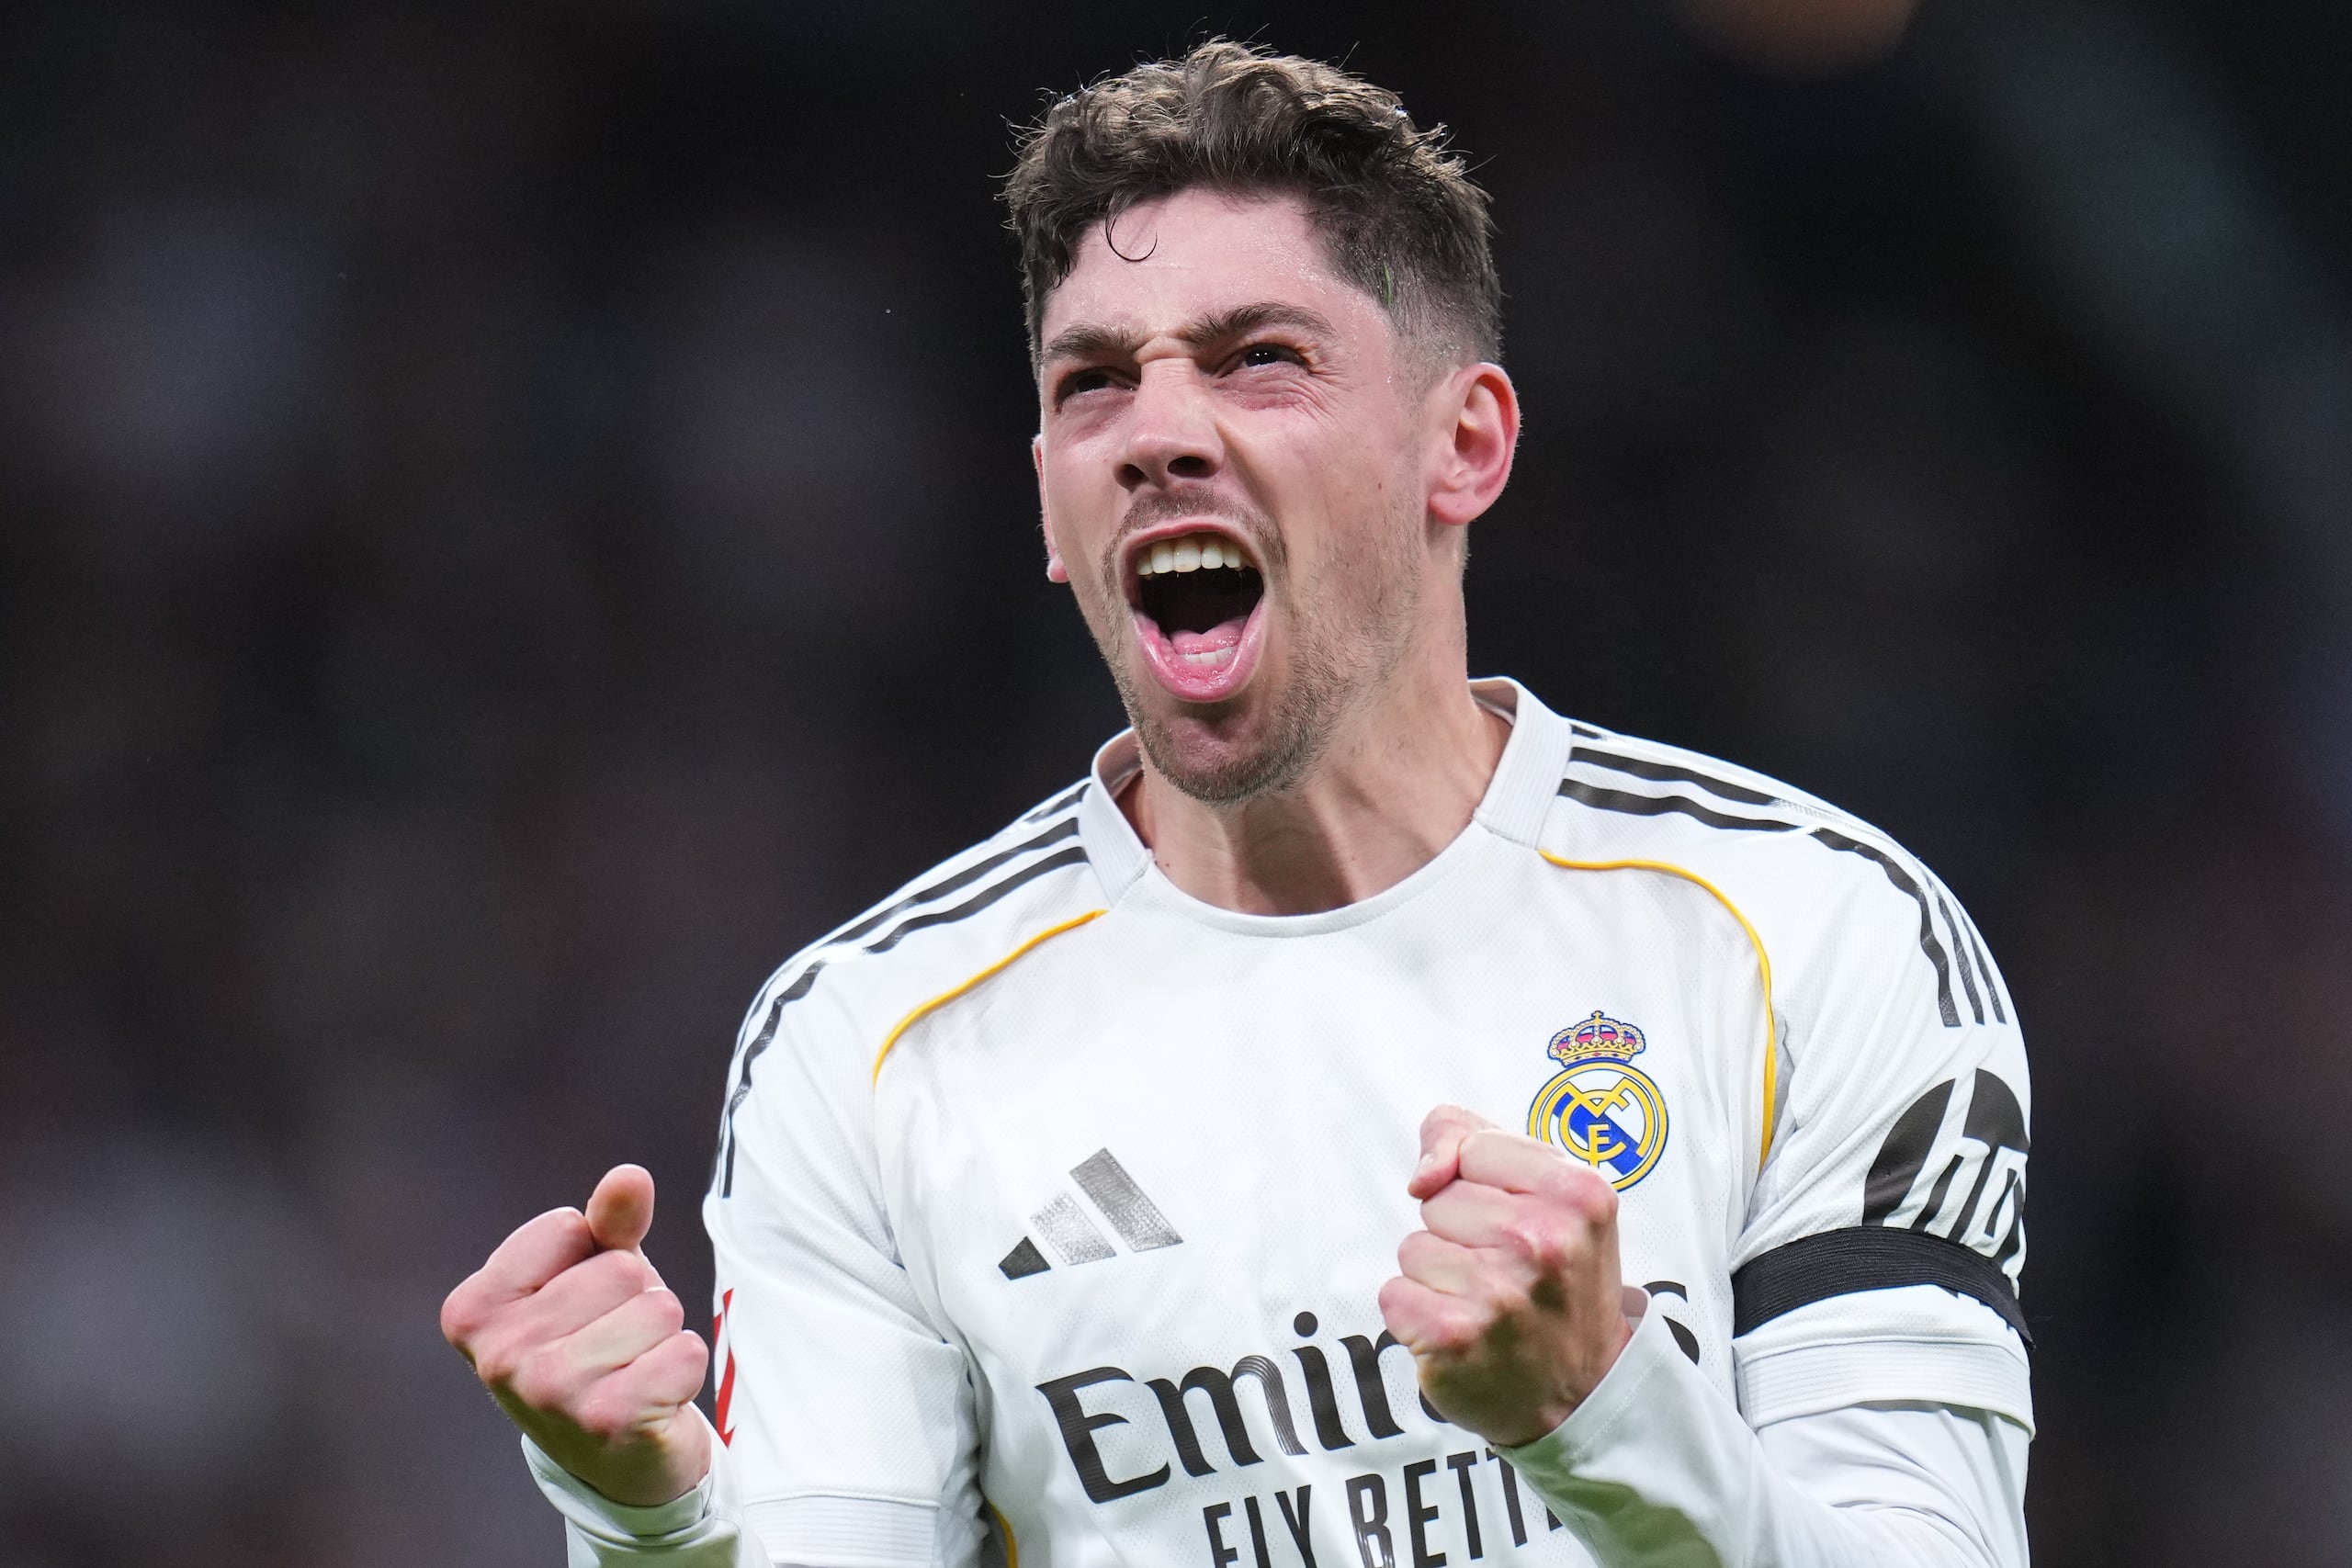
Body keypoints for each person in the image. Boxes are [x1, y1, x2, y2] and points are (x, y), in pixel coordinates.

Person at [441, 41, 2032, 1568]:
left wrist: (1605, 1412)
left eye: (1257, 360)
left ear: (1461, 443)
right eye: (1094, 386)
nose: (1159, 433)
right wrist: (651, 1528)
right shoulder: (870, 1047)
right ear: (1054, 512)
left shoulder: (1810, 938)